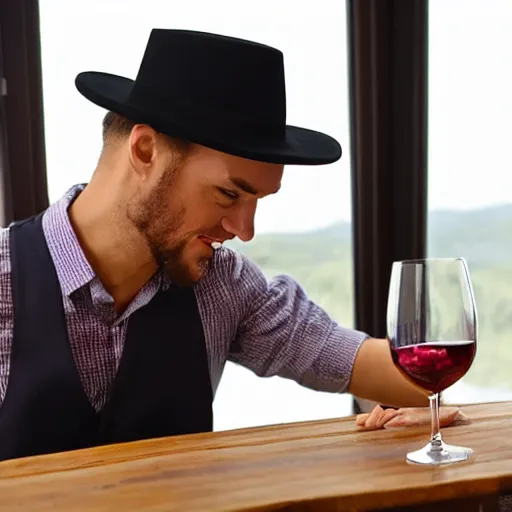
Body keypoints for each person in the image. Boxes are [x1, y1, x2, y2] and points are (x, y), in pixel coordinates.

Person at [0, 28, 430, 462]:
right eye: (229, 194)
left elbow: (355, 361)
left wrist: (433, 406)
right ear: (146, 150)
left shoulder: (223, 285)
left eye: (256, 202)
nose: (244, 229)